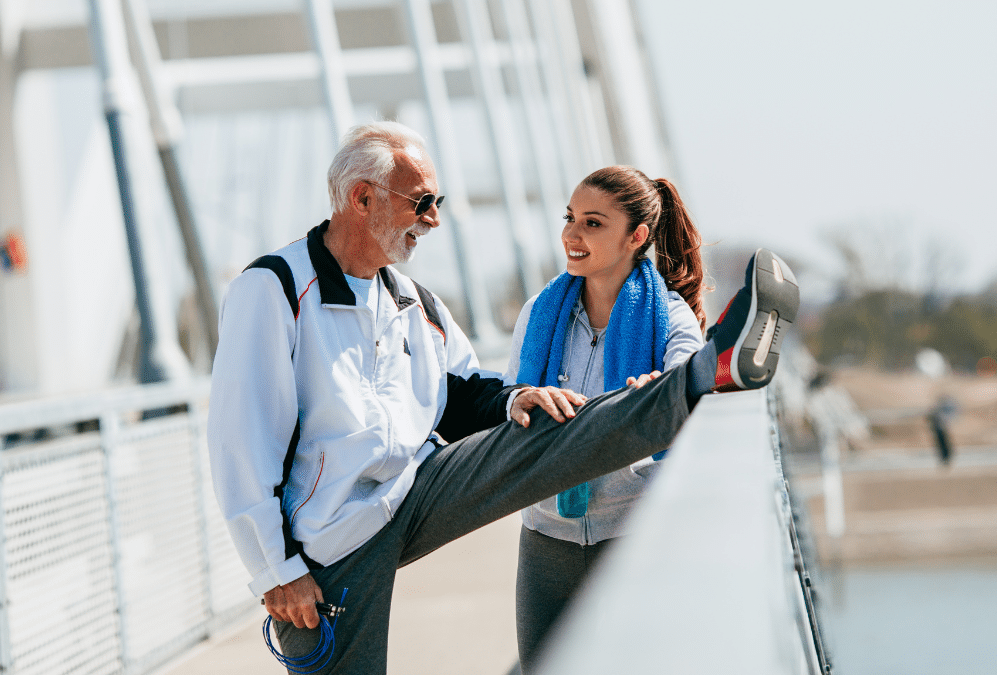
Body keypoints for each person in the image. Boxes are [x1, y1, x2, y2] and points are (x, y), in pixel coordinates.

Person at [207, 121, 799, 675]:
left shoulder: (415, 301)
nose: (434, 220)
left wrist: (517, 398)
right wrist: (275, 571)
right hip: (331, 533)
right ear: (363, 199)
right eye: (423, 203)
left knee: (549, 421)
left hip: (415, 489)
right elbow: (241, 444)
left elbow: (462, 393)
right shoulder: (274, 289)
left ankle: (701, 375)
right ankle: (693, 378)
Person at [503, 166, 707, 670]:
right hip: (545, 539)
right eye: (570, 218)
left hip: (634, 538)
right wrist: (520, 400)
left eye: (593, 223)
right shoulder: (539, 313)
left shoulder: (670, 316)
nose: (572, 234)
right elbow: (507, 399)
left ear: (637, 236)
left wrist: (655, 395)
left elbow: (687, 385)